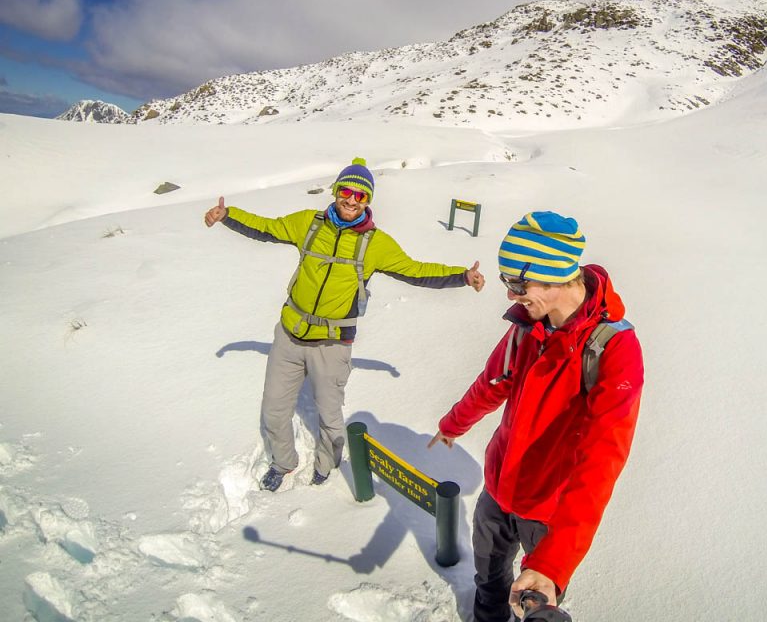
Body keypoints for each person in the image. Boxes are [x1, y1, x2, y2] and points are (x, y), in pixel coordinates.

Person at [204, 157, 486, 492]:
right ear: (336, 191)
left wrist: (462, 277)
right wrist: (228, 216)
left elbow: (416, 271)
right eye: (345, 191)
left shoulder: (376, 244)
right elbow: (267, 227)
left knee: (331, 418)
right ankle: (283, 462)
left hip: (333, 343)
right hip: (290, 335)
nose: (351, 200)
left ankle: (326, 465)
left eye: (360, 195)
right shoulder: (308, 224)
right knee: (274, 411)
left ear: (368, 201)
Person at [429, 211, 643, 621]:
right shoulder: (530, 325)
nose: (511, 295)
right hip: (499, 488)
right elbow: (494, 382)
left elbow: (601, 464)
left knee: (529, 590)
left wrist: (553, 563)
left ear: (553, 277)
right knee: (489, 581)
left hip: (547, 511)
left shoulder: (615, 349)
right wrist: (452, 424)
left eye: (517, 283)